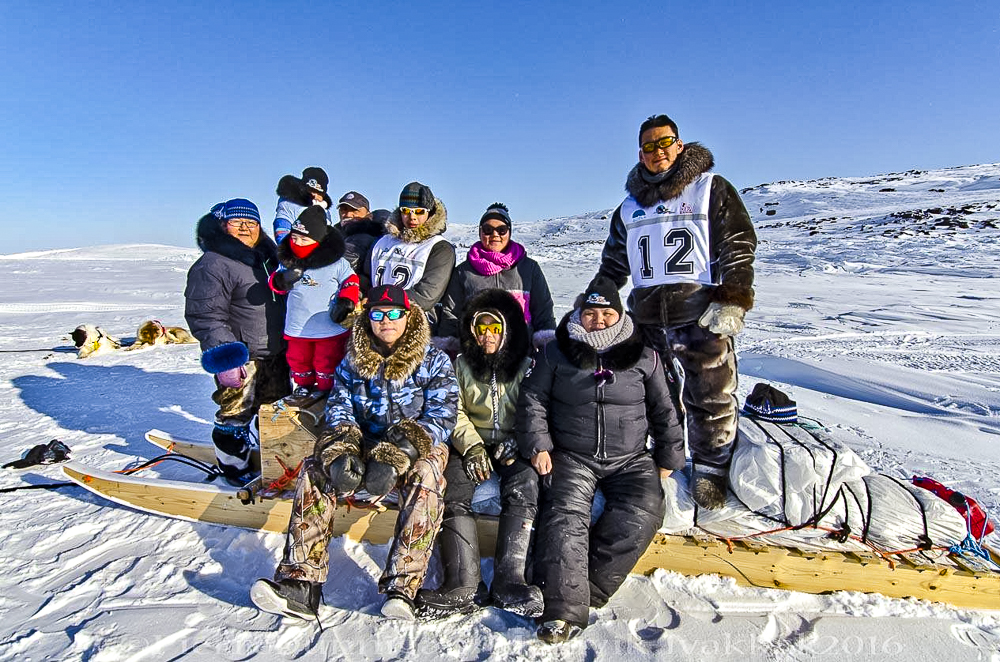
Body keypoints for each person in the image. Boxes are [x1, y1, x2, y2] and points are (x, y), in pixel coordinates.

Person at [250, 284, 459, 622]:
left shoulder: (432, 359)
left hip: (414, 443)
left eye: (394, 314)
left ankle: (402, 587)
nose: (386, 321)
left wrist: (401, 452)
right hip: (364, 440)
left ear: (408, 317)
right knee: (314, 468)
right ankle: (302, 584)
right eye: (377, 313)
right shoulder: (353, 360)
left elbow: (443, 415)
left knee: (427, 474)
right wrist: (342, 446)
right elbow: (340, 404)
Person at [588, 114, 757, 510]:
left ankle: (712, 468)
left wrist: (733, 298)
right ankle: (661, 459)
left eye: (664, 143)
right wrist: (595, 304)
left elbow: (737, 242)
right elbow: (613, 266)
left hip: (698, 314)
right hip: (646, 318)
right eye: (648, 146)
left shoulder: (709, 189)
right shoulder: (628, 208)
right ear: (639, 153)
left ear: (679, 145)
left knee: (710, 396)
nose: (657, 152)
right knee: (653, 396)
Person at [517, 281, 684, 643]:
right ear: (579, 314)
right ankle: (561, 612)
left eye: (607, 313)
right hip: (573, 455)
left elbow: (664, 408)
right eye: (591, 314)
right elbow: (533, 399)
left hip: (631, 458)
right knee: (564, 516)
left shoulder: (644, 355)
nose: (598, 320)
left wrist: (670, 452)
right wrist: (539, 445)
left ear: (619, 315)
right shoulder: (556, 352)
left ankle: (587, 590)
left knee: (645, 511)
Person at [417, 289, 542, 618]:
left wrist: (518, 437)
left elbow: (535, 407)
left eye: (495, 328)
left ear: (506, 331)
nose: (488, 335)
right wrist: (471, 446)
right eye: (482, 327)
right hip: (471, 442)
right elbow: (452, 409)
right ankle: (463, 583)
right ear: (472, 331)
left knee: (524, 487)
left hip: (514, 446)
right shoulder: (460, 365)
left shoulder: (526, 365)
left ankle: (509, 580)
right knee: (453, 489)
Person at [184, 198, 290, 483]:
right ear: (222, 225)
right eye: (237, 222)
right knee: (235, 415)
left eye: (252, 222)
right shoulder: (213, 264)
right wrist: (226, 357)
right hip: (242, 358)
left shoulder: (267, 259)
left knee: (273, 414)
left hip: (276, 354)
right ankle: (233, 469)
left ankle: (273, 462)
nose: (245, 228)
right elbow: (205, 316)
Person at [269, 205, 360, 404]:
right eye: (294, 238)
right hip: (297, 326)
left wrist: (346, 301)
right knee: (297, 358)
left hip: (327, 326)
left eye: (304, 239)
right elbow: (275, 284)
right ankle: (303, 385)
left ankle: (326, 388)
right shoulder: (288, 262)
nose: (297, 243)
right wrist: (281, 280)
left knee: (326, 359)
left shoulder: (336, 263)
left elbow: (351, 281)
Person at [439, 203, 556, 348]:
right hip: (477, 355)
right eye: (488, 230)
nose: (495, 235)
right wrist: (449, 349)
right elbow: (451, 314)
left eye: (501, 230)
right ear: (480, 232)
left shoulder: (529, 269)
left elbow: (544, 313)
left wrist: (548, 350)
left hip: (522, 354)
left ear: (509, 232)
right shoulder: (464, 272)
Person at [364, 182, 455, 331]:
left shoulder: (439, 248)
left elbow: (426, 295)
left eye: (419, 211)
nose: (412, 217)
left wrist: (383, 306)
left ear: (430, 212)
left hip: (414, 323)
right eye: (406, 210)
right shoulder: (382, 242)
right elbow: (366, 276)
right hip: (377, 320)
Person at [335, 191, 387, 288]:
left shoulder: (370, 238)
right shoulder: (331, 234)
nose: (348, 214)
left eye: (355, 210)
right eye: (344, 210)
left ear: (368, 214)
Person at [273, 167, 334, 244]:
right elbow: (281, 231)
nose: (314, 195)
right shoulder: (288, 204)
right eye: (310, 190)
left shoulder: (325, 211)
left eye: (319, 193)